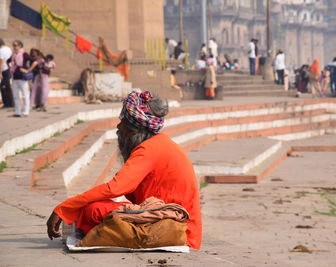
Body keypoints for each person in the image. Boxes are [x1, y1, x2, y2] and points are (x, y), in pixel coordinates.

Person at [46, 90, 202, 250]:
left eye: (124, 122)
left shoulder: (149, 150)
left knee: (93, 210)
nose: (118, 126)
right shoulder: (158, 144)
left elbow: (115, 188)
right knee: (95, 207)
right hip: (171, 222)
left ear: (136, 129)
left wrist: (65, 207)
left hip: (178, 230)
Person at [10, 40, 31, 117]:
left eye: (15, 45)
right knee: (15, 96)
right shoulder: (13, 55)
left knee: (25, 95)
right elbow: (8, 61)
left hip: (22, 78)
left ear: (20, 46)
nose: (14, 47)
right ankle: (17, 112)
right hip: (14, 77)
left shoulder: (24, 54)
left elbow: (34, 61)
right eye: (13, 45)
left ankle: (26, 111)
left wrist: (28, 70)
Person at [0, 38, 13, 108]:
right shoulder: (8, 49)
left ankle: (7, 104)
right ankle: (10, 103)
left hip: (3, 70)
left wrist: (0, 72)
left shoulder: (1, 51)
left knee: (3, 87)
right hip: (8, 69)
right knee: (7, 86)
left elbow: (1, 62)